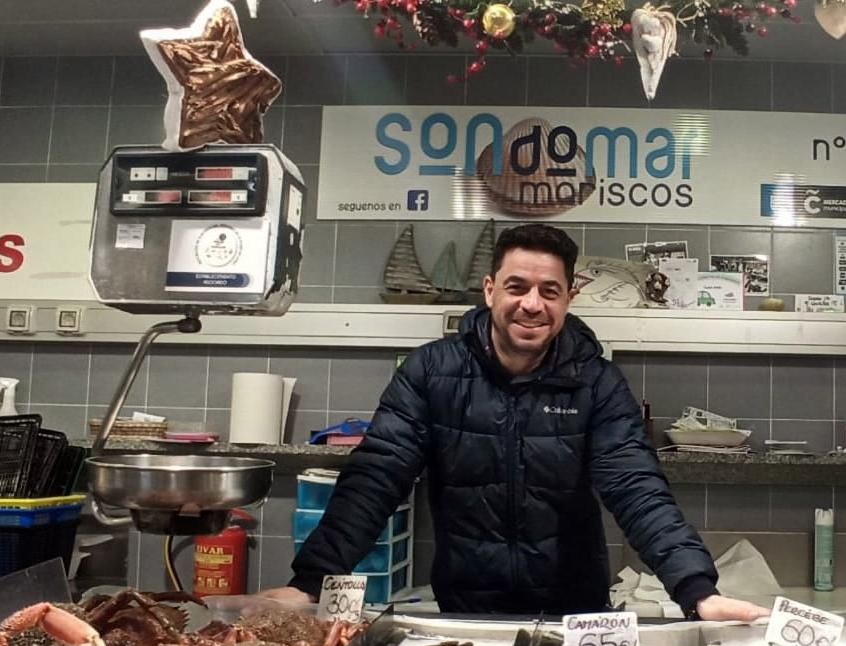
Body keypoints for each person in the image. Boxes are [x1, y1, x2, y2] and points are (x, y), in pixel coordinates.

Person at [260, 224, 767, 622]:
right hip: (467, 606)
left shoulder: (597, 382)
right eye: (517, 286)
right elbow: (376, 478)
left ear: (570, 296)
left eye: (550, 291)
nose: (532, 304)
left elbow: (635, 486)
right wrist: (312, 581)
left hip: (576, 608)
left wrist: (696, 590)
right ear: (489, 290)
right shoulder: (431, 372)